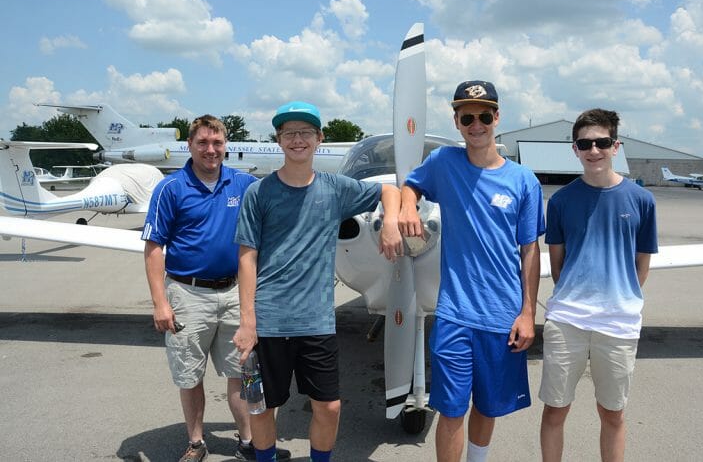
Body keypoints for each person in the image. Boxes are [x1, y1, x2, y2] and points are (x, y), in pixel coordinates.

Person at [232, 101, 403, 462]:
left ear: (319, 138)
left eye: (306, 132)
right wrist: (247, 321)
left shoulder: (336, 188)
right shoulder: (258, 193)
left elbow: (390, 191)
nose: (298, 139)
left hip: (317, 322)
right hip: (269, 320)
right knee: (262, 407)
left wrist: (389, 222)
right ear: (278, 140)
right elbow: (247, 258)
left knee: (329, 407)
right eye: (289, 133)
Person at [399, 81, 545, 462]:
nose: (476, 124)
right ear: (457, 122)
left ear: (497, 117)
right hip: (454, 313)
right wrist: (408, 206)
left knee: (487, 406)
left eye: (483, 116)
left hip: (502, 315)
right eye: (467, 118)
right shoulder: (443, 163)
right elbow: (410, 186)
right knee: (450, 410)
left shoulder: (524, 181)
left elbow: (530, 250)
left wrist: (528, 313)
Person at [142, 115, 289, 462]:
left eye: (217, 143)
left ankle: (249, 442)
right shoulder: (170, 188)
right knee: (190, 374)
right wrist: (160, 303)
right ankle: (196, 443)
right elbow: (153, 247)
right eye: (203, 143)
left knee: (243, 371)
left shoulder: (244, 183)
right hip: (187, 293)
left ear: (226, 145)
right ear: (190, 146)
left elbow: (283, 200)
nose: (211, 150)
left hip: (236, 293)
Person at [538, 108, 658, 462]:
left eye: (602, 143)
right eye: (585, 144)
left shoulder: (642, 200)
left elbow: (642, 265)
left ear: (615, 146)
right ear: (575, 149)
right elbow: (557, 265)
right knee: (555, 409)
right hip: (567, 320)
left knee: (613, 413)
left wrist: (619, 298)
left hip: (618, 324)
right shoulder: (560, 202)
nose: (594, 150)